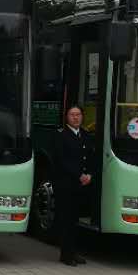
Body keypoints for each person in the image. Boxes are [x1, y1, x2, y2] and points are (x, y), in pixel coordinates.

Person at [51, 104, 95, 266]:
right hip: (66, 183)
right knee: (66, 219)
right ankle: (65, 254)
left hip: (81, 185)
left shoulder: (86, 135)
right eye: (72, 115)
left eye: (78, 115)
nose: (76, 118)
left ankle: (73, 251)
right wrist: (79, 175)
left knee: (75, 219)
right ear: (67, 117)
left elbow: (90, 157)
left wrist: (90, 174)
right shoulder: (60, 135)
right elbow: (61, 160)